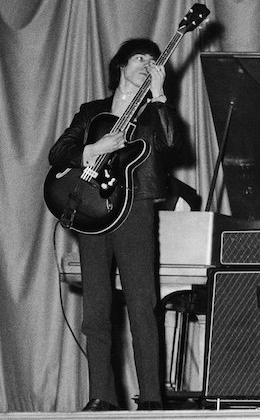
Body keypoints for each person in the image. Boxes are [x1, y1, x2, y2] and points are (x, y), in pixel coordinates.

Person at [48, 39, 175, 411]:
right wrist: (93, 149)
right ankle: (101, 396)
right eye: (139, 57)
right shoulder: (92, 111)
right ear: (120, 64)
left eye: (153, 61)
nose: (146, 64)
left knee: (142, 306)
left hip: (135, 210)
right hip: (91, 210)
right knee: (96, 309)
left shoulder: (155, 111)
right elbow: (58, 153)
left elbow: (172, 143)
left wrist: (161, 95)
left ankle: (151, 399)